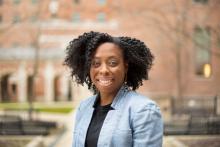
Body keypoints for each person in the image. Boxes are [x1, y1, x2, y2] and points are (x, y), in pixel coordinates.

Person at [64, 31, 163, 147]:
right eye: (96, 63)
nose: (104, 70)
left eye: (112, 63)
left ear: (125, 67)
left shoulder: (144, 110)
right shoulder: (84, 107)